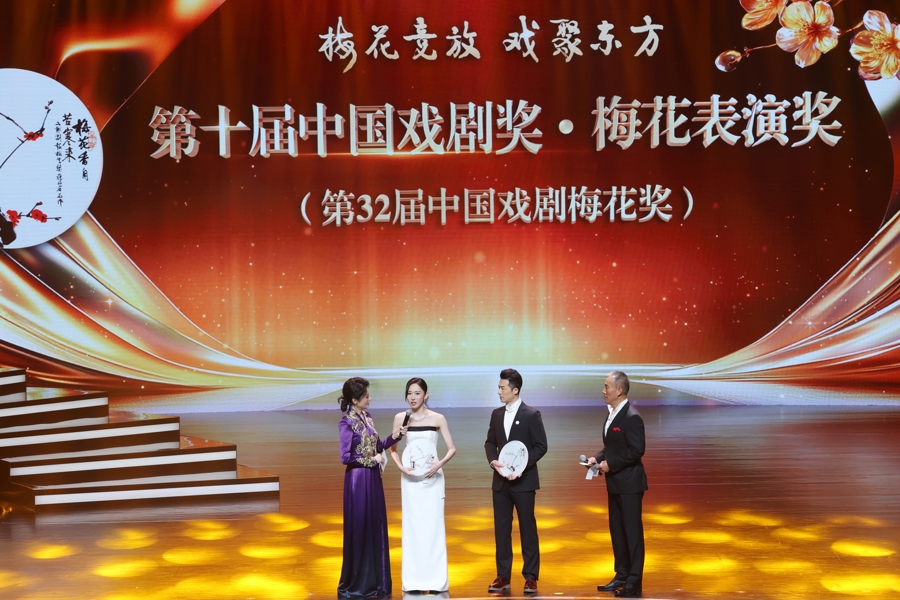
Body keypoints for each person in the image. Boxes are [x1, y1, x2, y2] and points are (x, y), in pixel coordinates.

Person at [338, 377, 407, 599]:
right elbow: (345, 457)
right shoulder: (346, 423)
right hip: (358, 481)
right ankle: (359, 582)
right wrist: (372, 461)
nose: (370, 399)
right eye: (366, 396)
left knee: (375, 525)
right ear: (354, 400)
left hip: (373, 479)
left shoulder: (367, 417)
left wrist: (394, 437)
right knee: (361, 526)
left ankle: (377, 581)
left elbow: (377, 446)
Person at [389, 377, 456, 593]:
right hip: (410, 480)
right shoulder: (401, 418)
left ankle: (436, 581)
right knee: (413, 528)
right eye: (409, 393)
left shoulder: (438, 418)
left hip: (432, 478)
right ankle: (413, 581)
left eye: (417, 393)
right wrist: (401, 467)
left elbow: (452, 448)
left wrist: (439, 464)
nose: (412, 397)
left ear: (426, 395)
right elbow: (392, 448)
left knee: (433, 528)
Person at [484, 368, 548, 595]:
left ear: (515, 390)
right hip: (501, 482)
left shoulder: (531, 415)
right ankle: (503, 576)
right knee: (501, 529)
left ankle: (530, 576)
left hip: (523, 482)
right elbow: (490, 443)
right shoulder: (496, 414)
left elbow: (541, 446)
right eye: (498, 387)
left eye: (502, 388)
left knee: (527, 528)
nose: (499, 391)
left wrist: (522, 467)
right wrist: (493, 461)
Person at [587, 371, 648, 598]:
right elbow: (611, 448)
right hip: (614, 484)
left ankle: (634, 581)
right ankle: (622, 574)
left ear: (619, 390)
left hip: (630, 484)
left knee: (632, 533)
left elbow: (636, 450)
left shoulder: (631, 417)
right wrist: (596, 458)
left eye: (607, 387)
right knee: (617, 531)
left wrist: (610, 464)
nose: (603, 391)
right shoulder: (612, 414)